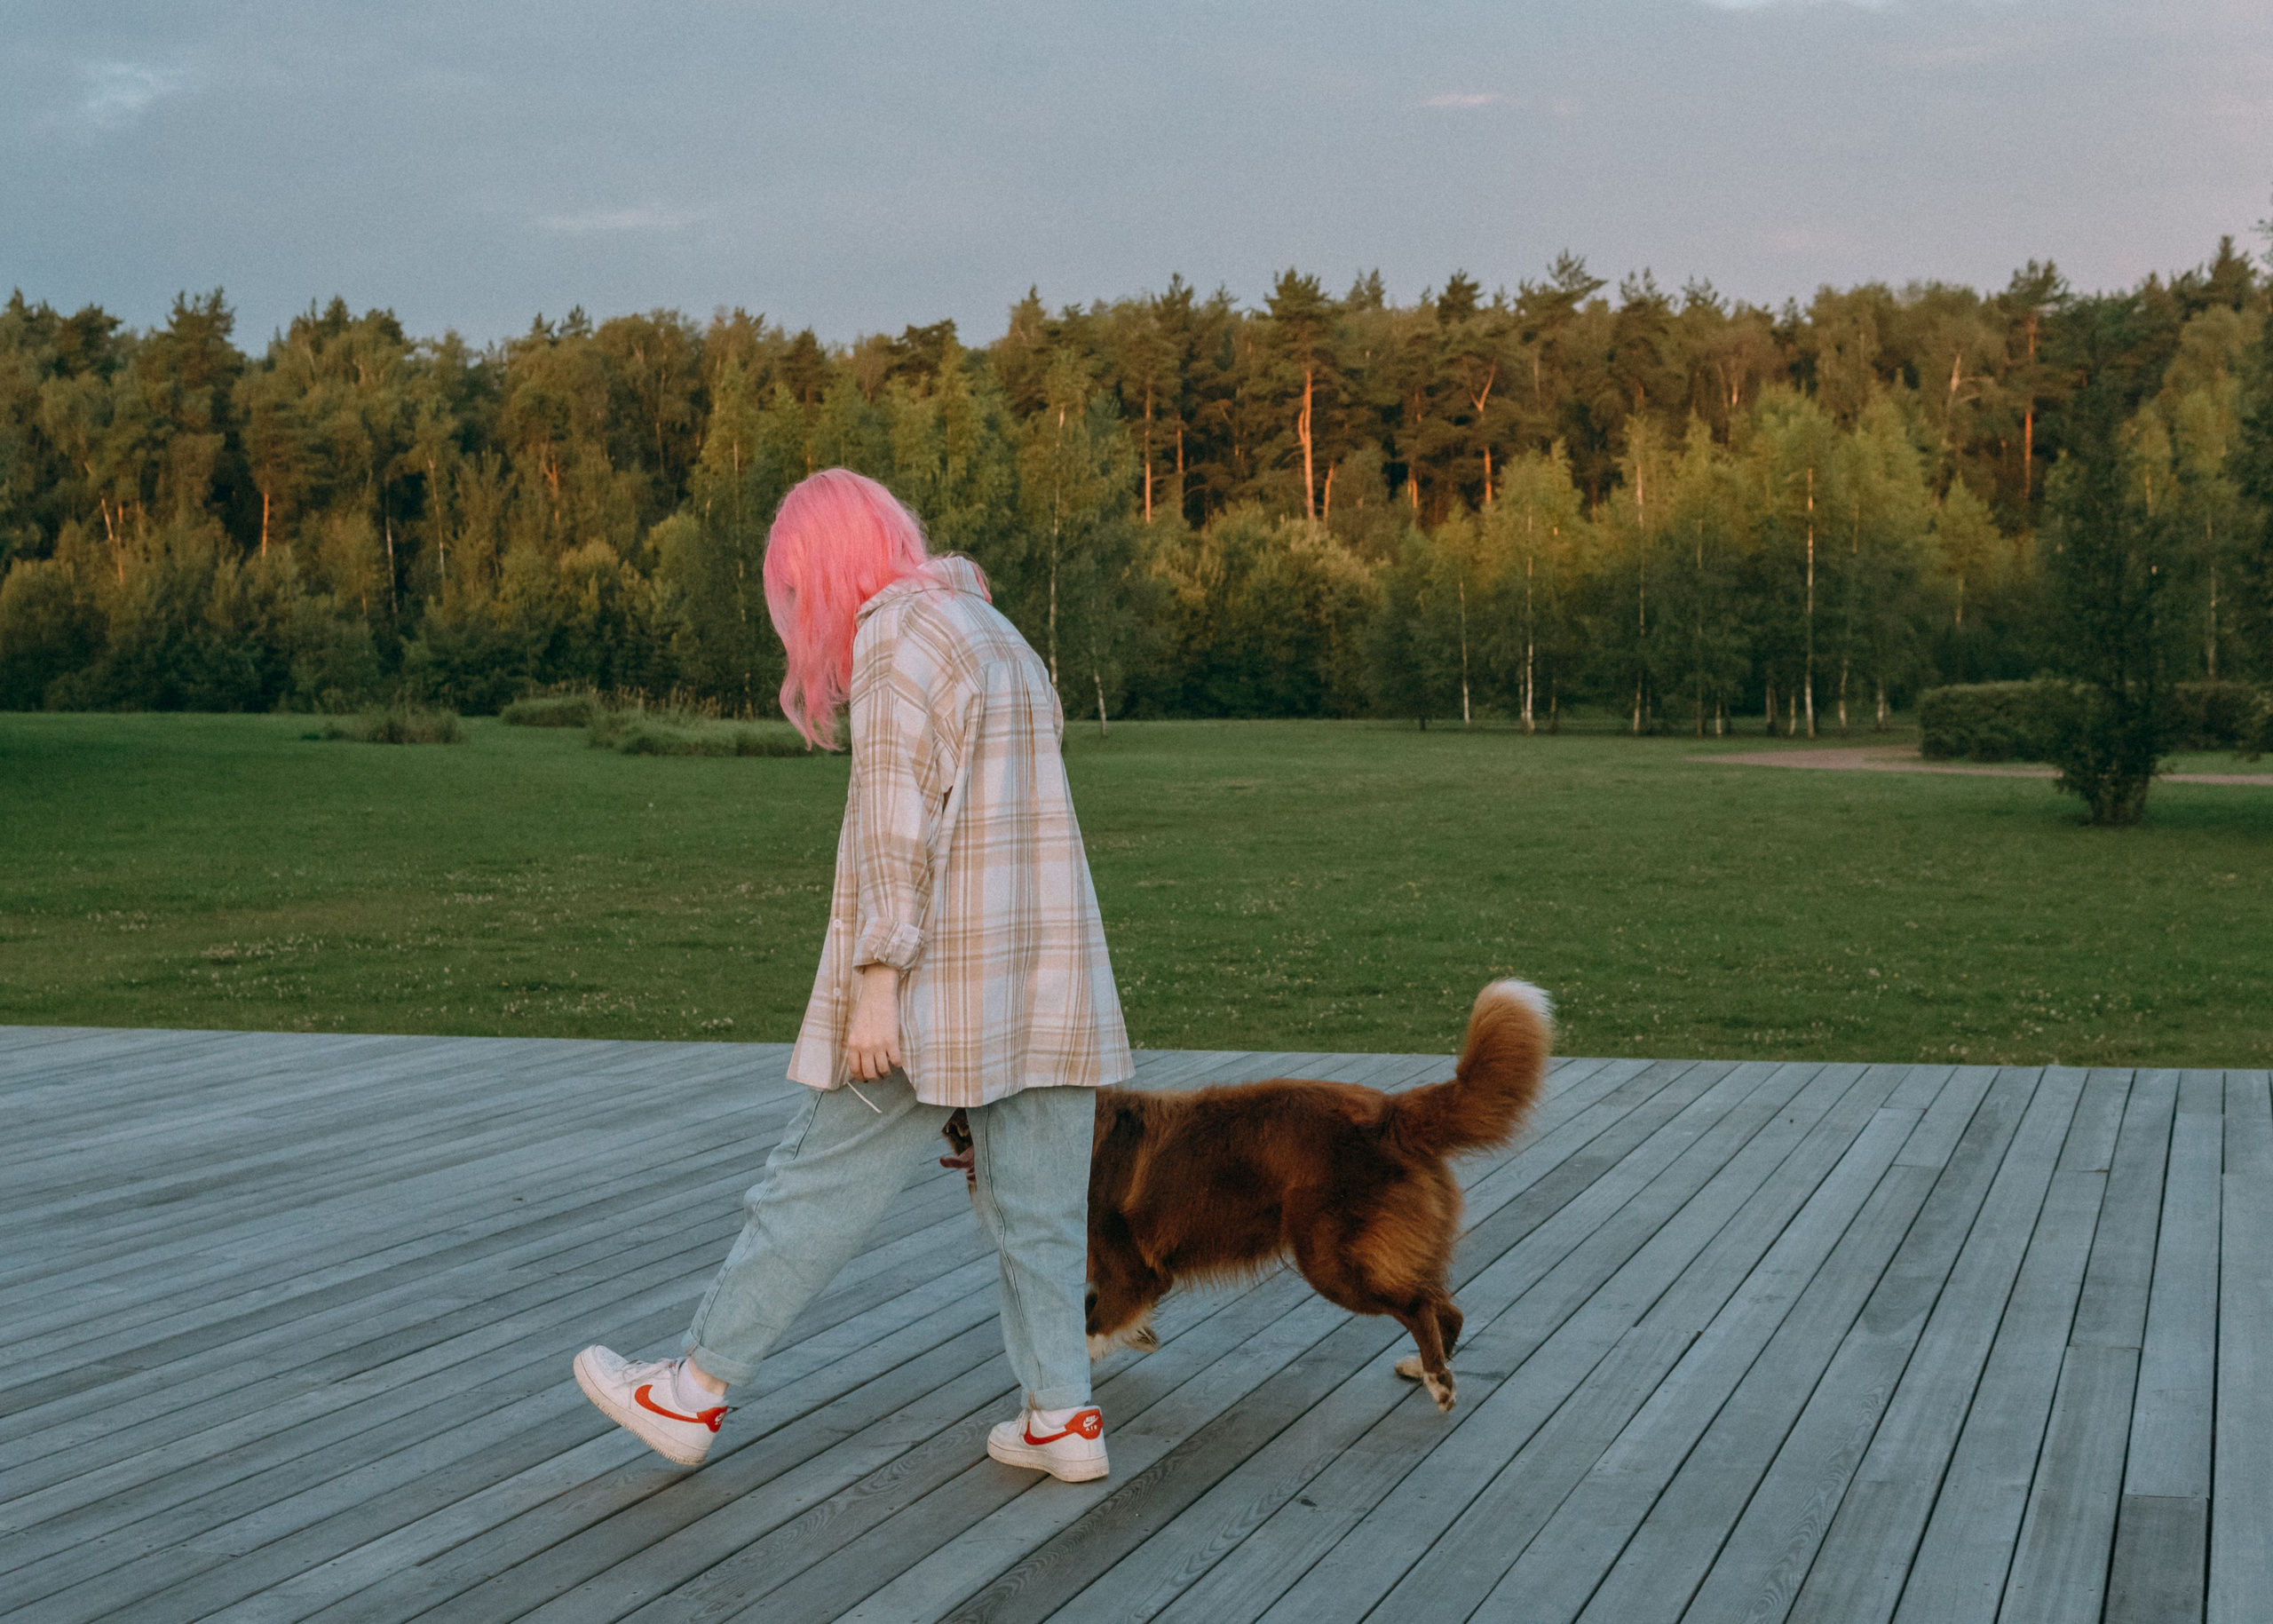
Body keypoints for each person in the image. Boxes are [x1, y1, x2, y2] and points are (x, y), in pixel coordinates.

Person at [573, 469, 1131, 1483]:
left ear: (824, 569)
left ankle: (690, 1392)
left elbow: (894, 822)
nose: (797, 612)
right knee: (1044, 1209)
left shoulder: (895, 636)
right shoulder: (994, 630)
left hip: (935, 986)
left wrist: (878, 981)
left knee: (812, 1183)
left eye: (794, 587)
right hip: (1047, 982)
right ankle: (1063, 1415)